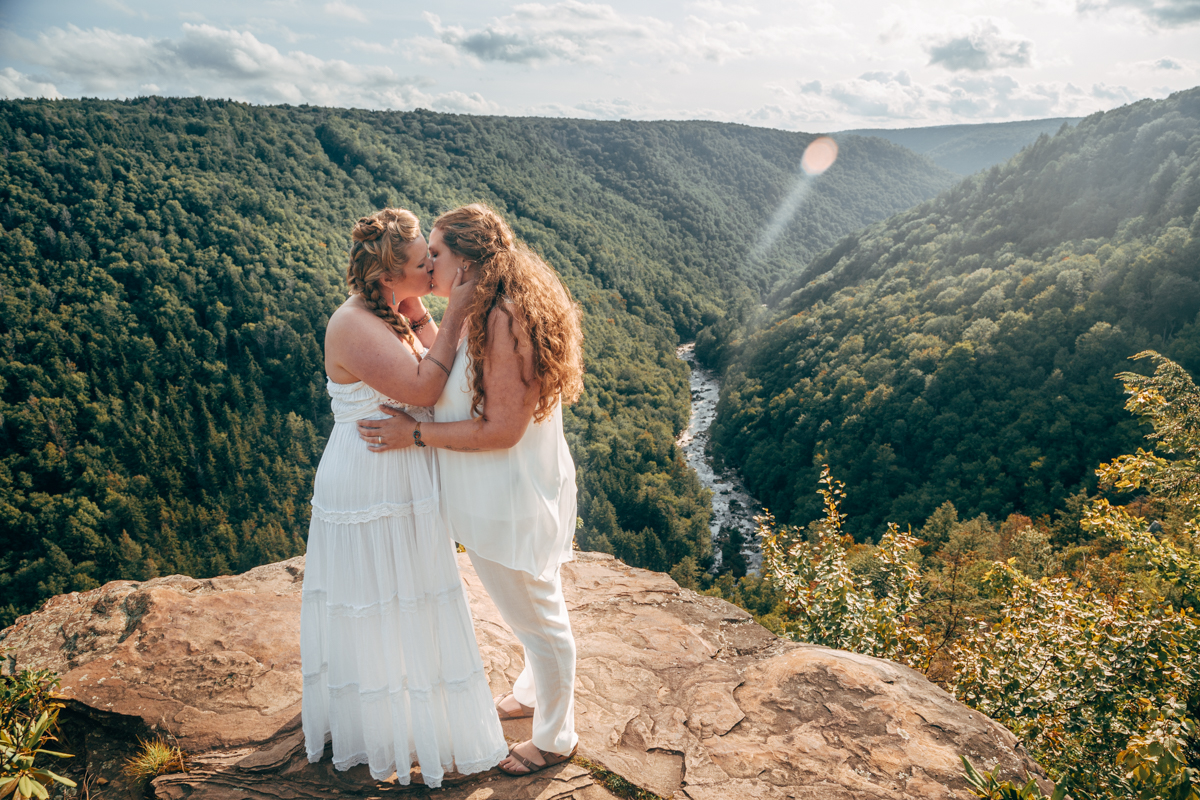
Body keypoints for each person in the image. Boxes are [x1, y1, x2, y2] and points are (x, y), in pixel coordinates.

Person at [356, 203, 585, 776]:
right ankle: (533, 695)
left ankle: (556, 738)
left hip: (508, 497)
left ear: (465, 260)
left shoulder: (507, 317)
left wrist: (415, 435)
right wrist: (418, 317)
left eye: (436, 254)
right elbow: (460, 371)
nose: (428, 263)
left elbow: (501, 428)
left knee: (541, 618)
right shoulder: (489, 308)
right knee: (530, 607)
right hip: (500, 494)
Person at [300, 207, 509, 788]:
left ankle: (418, 721)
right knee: (375, 603)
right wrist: (460, 308)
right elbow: (424, 386)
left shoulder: (393, 310)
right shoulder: (353, 326)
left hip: (402, 470)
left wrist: (424, 315)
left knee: (412, 597)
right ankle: (378, 729)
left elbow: (437, 364)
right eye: (424, 263)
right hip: (370, 475)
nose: (436, 268)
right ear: (392, 274)